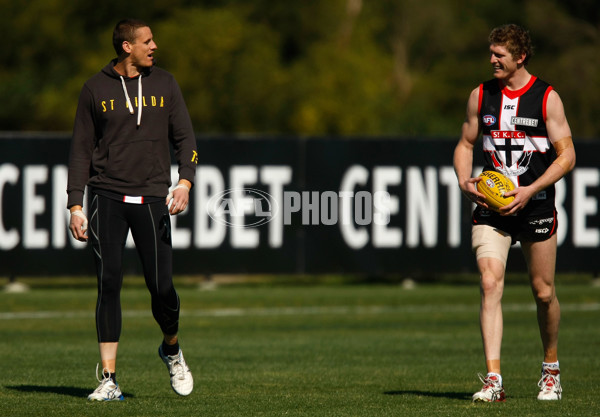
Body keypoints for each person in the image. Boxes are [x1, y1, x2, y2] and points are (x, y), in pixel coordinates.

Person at [67, 18, 198, 401]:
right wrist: (76, 204)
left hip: (153, 199)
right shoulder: (94, 89)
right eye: (147, 41)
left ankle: (171, 348)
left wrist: (185, 181)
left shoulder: (166, 84)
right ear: (127, 47)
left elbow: (186, 138)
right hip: (106, 197)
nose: (154, 46)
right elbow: (79, 151)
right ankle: (108, 379)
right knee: (108, 283)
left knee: (161, 288)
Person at [453, 24, 575, 402]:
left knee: (543, 292)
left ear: (520, 56)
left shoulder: (546, 97)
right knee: (490, 282)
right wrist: (463, 180)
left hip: (534, 204)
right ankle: (494, 380)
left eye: (499, 54)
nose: (492, 60)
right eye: (491, 53)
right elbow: (465, 143)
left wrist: (531, 190)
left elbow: (567, 155)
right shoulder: (480, 95)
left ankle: (550, 369)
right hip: (492, 209)